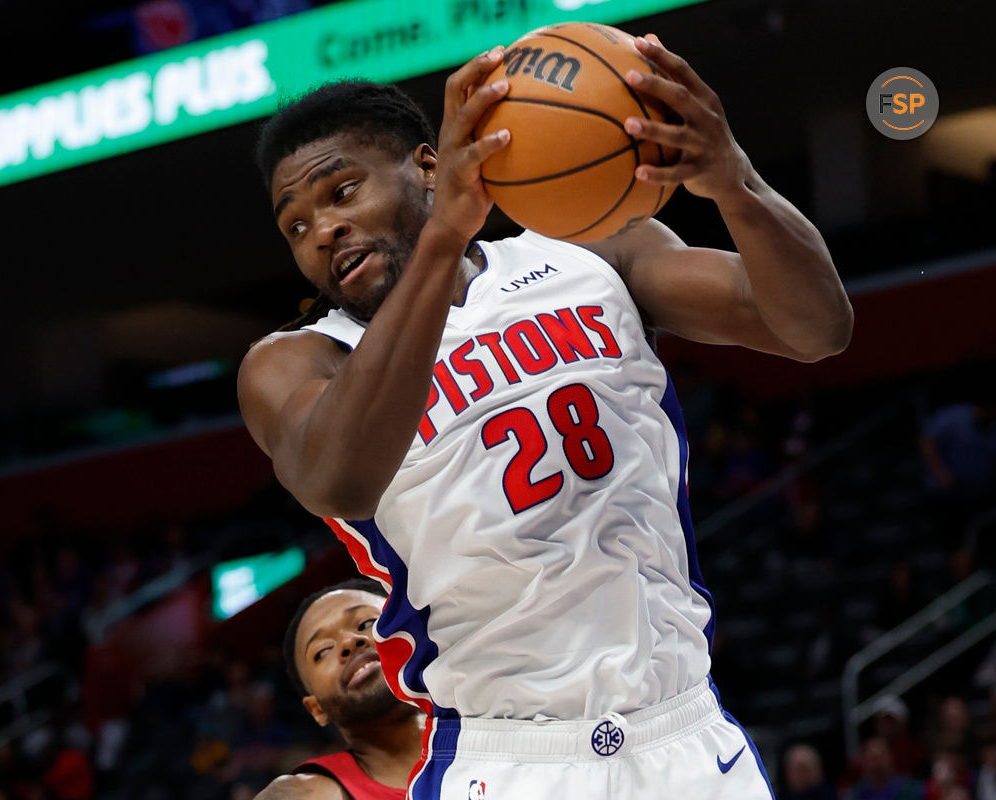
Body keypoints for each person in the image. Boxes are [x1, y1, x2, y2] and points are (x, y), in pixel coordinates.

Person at [238, 30, 853, 798]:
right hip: (512, 761)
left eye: (341, 192)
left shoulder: (590, 254)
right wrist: (445, 237)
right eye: (295, 226)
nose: (322, 231)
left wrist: (735, 181)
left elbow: (817, 328)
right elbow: (340, 480)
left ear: (429, 167)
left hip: (686, 740)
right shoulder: (300, 362)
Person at [255, 578, 424, 799]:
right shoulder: (308, 794)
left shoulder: (483, 703)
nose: (349, 642)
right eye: (323, 651)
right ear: (316, 709)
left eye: (366, 624)